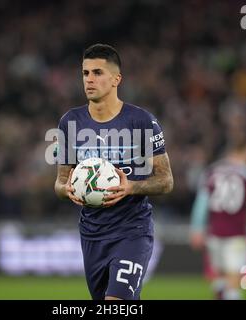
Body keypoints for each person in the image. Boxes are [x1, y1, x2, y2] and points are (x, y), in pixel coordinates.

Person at [54, 43, 173, 300]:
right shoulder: (69, 122)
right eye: (85, 73)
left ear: (116, 79)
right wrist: (67, 190)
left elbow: (166, 181)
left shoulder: (142, 121)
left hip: (133, 230)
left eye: (97, 72)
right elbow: (60, 182)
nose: (89, 79)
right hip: (92, 234)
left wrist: (131, 187)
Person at [189, 138, 246, 300]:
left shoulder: (211, 172)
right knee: (233, 283)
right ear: (245, 152)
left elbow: (201, 204)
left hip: (214, 234)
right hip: (237, 235)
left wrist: (196, 229)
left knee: (220, 279)